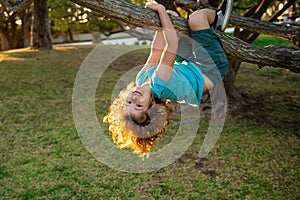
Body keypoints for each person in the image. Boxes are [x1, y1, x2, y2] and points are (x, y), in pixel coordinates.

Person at [104, 1, 228, 155]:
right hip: (210, 68)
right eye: (138, 106)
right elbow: (171, 46)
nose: (134, 100)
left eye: (128, 102)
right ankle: (219, 18)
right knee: (196, 19)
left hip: (188, 64)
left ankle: (198, 29)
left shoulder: (141, 79)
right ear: (151, 106)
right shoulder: (159, 84)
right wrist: (161, 12)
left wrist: (164, 21)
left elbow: (156, 51)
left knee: (175, 31)